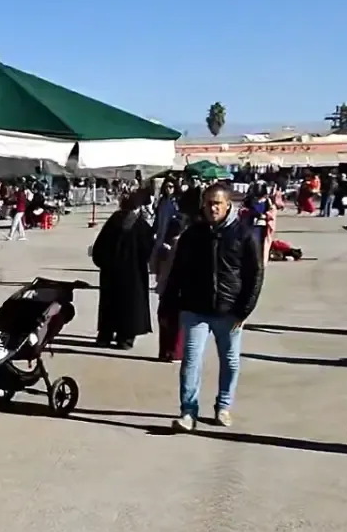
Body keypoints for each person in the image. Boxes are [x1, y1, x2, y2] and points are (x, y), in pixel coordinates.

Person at [160, 181, 262, 431]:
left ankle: (223, 407)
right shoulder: (192, 234)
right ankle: (188, 412)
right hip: (195, 309)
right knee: (191, 361)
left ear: (228, 205)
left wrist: (244, 310)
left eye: (217, 203)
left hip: (230, 311)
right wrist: (169, 303)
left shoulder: (244, 234)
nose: (212, 208)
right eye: (208, 204)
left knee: (230, 361)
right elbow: (177, 272)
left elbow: (255, 274)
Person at [91, 192, 155, 350]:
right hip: (133, 274)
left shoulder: (113, 222)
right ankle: (125, 338)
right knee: (130, 306)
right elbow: (148, 250)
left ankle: (105, 336)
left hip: (111, 272)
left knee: (109, 304)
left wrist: (104, 263)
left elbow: (99, 247)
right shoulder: (141, 226)